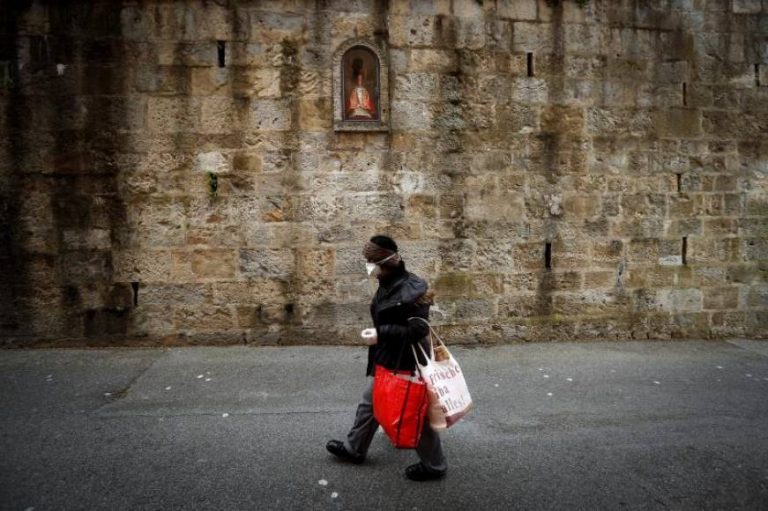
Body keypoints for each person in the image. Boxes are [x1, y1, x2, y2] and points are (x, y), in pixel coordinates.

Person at [326, 235, 447, 481]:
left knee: (414, 412)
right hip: (386, 356)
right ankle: (354, 448)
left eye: (372, 262)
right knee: (370, 403)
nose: (369, 266)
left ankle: (435, 466)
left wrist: (380, 334)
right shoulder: (387, 281)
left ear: (387, 262)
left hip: (406, 360)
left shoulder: (412, 289)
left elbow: (418, 329)